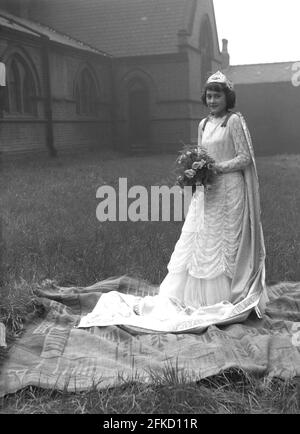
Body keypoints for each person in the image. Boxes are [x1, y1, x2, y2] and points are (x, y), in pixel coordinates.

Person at [157, 70, 268, 315]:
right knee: (201, 238)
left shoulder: (234, 121)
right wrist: (194, 171)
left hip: (230, 190)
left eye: (217, 96)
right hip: (208, 189)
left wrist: (218, 167)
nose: (212, 101)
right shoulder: (204, 124)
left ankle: (230, 293)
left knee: (224, 240)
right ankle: (196, 298)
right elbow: (200, 155)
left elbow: (245, 157)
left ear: (227, 98)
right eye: (208, 96)